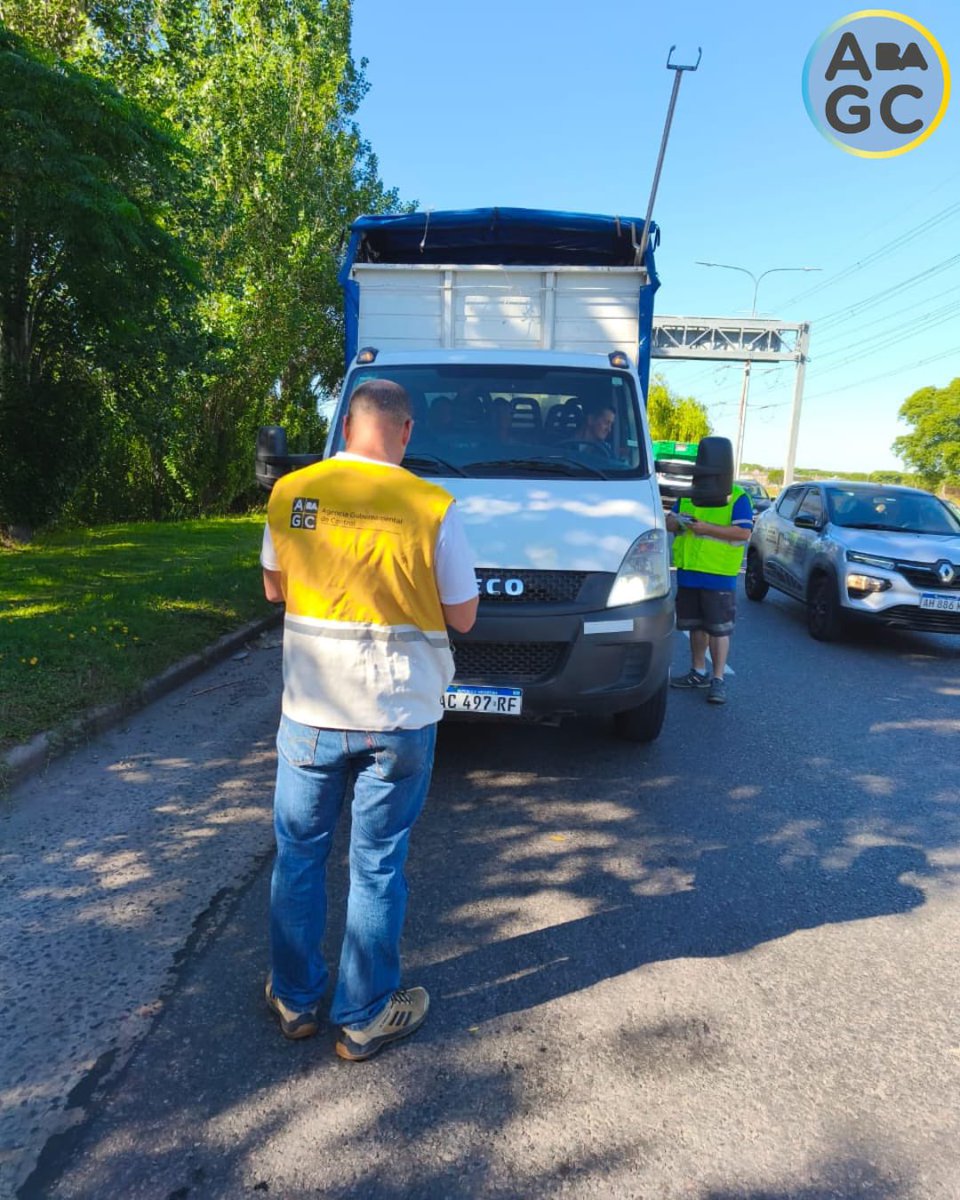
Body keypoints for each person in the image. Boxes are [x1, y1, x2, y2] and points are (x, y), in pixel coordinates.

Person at [260, 379, 478, 1060]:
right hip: (398, 715)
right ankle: (364, 1015)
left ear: (346, 423)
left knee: (299, 853)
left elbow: (274, 588)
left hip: (311, 711)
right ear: (406, 432)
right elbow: (464, 615)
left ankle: (295, 999)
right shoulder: (433, 506)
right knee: (377, 864)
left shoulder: (294, 493)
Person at [665, 483, 753, 705]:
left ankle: (718, 679)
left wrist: (707, 528)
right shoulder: (688, 494)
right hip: (689, 571)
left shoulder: (737, 496)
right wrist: (679, 522)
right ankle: (698, 671)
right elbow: (669, 523)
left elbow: (743, 532)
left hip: (718, 572)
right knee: (696, 625)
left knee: (718, 629)